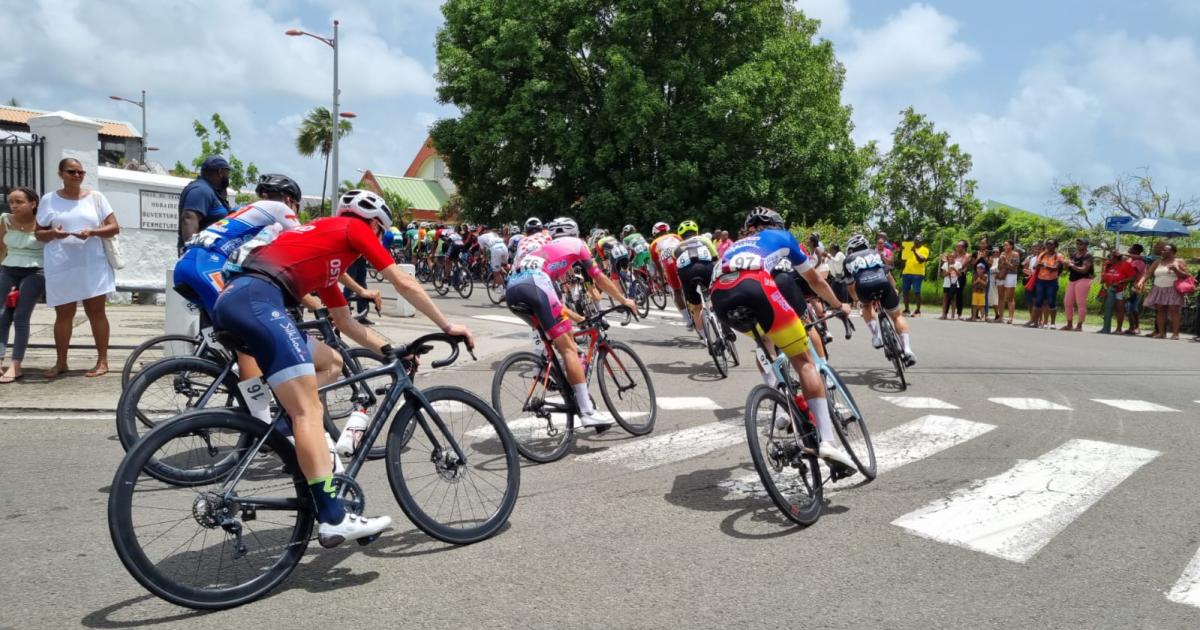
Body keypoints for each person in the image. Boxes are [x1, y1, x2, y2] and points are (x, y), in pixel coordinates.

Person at [211, 189, 473, 547]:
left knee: (329, 361)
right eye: (382, 234)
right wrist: (447, 326)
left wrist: (388, 350)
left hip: (238, 300)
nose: (379, 241)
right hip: (258, 300)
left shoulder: (326, 254)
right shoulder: (353, 228)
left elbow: (347, 325)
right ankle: (333, 518)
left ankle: (290, 433)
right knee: (308, 411)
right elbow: (404, 282)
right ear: (375, 227)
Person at [710, 207, 856, 472]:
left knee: (764, 342)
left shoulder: (731, 246)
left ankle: (782, 397)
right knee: (804, 362)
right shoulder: (781, 236)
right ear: (775, 224)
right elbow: (814, 280)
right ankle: (828, 442)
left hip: (720, 298)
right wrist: (838, 305)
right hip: (758, 287)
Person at [504, 217, 636, 430]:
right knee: (569, 350)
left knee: (558, 341)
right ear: (575, 233)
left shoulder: (545, 248)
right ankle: (587, 411)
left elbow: (559, 297)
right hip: (536, 284)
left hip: (512, 288)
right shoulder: (578, 244)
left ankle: (559, 382)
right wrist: (624, 300)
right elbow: (598, 277)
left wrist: (577, 318)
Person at [34, 158, 119, 378]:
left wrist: (92, 232)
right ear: (60, 173)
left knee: (96, 312)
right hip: (61, 263)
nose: (77, 175)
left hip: (93, 262)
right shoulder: (48, 199)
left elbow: (114, 227)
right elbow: (38, 233)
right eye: (72, 171)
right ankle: (61, 362)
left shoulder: (96, 198)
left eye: (81, 172)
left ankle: (103, 361)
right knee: (63, 314)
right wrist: (53, 233)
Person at [844, 233, 917, 365]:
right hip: (883, 283)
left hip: (863, 287)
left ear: (850, 249)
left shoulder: (848, 259)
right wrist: (894, 288)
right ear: (866, 244)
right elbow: (887, 273)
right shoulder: (875, 253)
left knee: (867, 306)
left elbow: (850, 285)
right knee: (896, 316)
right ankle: (907, 350)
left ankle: (876, 336)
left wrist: (856, 300)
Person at [0, 187, 46, 383]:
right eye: (11, 202)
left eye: (19, 201)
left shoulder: (43, 221)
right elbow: (1, 246)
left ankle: (16, 365)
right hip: (8, 269)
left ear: (33, 203)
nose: (14, 205)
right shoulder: (5, 220)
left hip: (35, 271)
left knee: (20, 316)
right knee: (2, 315)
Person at [672, 220, 718, 336]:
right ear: (696, 232)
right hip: (705, 268)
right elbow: (715, 258)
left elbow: (677, 266)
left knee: (696, 307)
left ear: (680, 236)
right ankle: (725, 326)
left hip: (686, 272)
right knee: (717, 297)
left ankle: (705, 337)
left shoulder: (676, 248)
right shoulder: (705, 239)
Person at [177, 155, 232, 254]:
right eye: (227, 173)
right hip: (202, 257)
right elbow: (188, 219)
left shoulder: (211, 191)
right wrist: (192, 253)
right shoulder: (201, 190)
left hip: (212, 254)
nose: (228, 177)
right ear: (220, 172)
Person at [1138, 243, 1190, 340]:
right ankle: (1161, 333)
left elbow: (1186, 275)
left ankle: (1175, 334)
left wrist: (1175, 269)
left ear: (1172, 252)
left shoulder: (1179, 261)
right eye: (1162, 250)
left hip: (1173, 289)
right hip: (1158, 288)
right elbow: (1148, 273)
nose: (1163, 252)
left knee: (1174, 310)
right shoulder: (1157, 262)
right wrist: (1141, 282)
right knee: (1160, 311)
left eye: (1165, 250)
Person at [649, 222, 690, 328]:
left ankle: (688, 320)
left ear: (655, 233)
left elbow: (658, 265)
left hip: (669, 265)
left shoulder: (653, 244)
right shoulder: (676, 236)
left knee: (676, 291)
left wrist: (662, 280)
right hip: (683, 261)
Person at [1026, 238, 1064, 329]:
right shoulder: (1042, 254)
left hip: (1052, 281)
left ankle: (1053, 323)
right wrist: (1037, 266)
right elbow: (1036, 266)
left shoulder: (1058, 256)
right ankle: (1035, 322)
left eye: (1051, 244)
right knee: (1038, 301)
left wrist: (1045, 265)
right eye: (1047, 244)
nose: (1049, 246)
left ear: (1055, 246)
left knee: (1051, 301)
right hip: (1040, 280)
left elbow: (1056, 268)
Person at [1059, 238, 1095, 331]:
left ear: (1086, 245)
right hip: (1072, 280)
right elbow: (1068, 269)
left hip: (1084, 279)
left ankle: (1079, 325)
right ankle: (1069, 324)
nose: (1079, 245)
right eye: (1077, 243)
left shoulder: (1088, 256)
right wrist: (1066, 264)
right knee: (1067, 302)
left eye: (1081, 244)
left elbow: (1084, 270)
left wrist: (1071, 265)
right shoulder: (1074, 254)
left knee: (1080, 302)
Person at [1098, 249, 1137, 334]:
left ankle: (1118, 328)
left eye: (1111, 256)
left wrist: (1121, 282)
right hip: (1108, 289)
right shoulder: (1108, 264)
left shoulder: (1126, 264)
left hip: (1120, 289)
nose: (1109, 258)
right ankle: (1105, 326)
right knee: (1107, 308)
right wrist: (1103, 278)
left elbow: (1133, 277)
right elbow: (1104, 275)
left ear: (1117, 257)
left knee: (1119, 309)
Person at [900, 235, 929, 316]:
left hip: (918, 274)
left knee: (917, 292)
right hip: (906, 272)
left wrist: (914, 251)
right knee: (905, 292)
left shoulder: (925, 249)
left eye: (918, 241)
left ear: (921, 242)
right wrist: (903, 251)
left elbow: (921, 260)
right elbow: (903, 260)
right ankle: (906, 310)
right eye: (915, 240)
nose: (916, 242)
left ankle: (918, 310)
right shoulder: (909, 247)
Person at [1122, 244, 1148, 335]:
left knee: (1132, 307)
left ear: (1137, 251)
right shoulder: (1129, 260)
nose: (1129, 248)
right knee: (1128, 307)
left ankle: (1136, 327)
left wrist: (1122, 279)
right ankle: (1131, 327)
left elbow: (1132, 275)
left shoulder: (1139, 262)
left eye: (1131, 248)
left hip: (1136, 286)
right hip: (1128, 286)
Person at [996, 240, 1020, 324]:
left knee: (1010, 297)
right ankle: (1001, 317)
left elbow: (1014, 268)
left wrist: (1005, 261)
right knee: (1001, 296)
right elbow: (999, 267)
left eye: (1007, 245)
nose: (1005, 247)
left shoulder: (1015, 254)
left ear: (1011, 246)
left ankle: (1010, 317)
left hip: (1011, 275)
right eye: (1004, 245)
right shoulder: (1002, 254)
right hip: (1002, 275)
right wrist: (1001, 262)